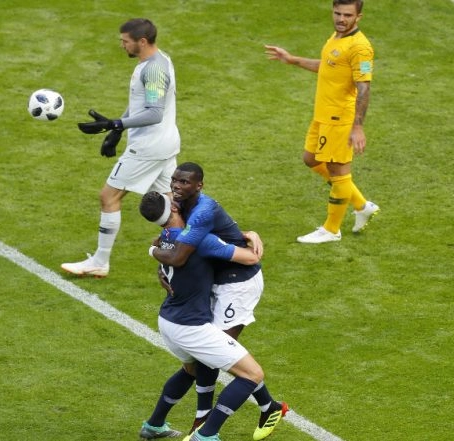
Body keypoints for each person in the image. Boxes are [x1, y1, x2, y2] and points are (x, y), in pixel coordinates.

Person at [149, 163, 287, 439]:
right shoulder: (176, 204)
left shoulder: (201, 214)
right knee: (209, 358)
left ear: (199, 185)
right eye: (174, 180)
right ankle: (267, 406)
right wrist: (161, 265)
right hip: (215, 280)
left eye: (184, 182)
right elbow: (169, 239)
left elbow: (251, 257)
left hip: (238, 283)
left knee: (213, 358)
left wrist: (155, 254)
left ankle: (202, 425)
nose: (176, 187)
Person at [61, 18, 180, 277]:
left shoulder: (154, 70)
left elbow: (154, 113)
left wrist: (116, 122)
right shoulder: (154, 62)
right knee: (172, 204)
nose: (121, 45)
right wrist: (118, 129)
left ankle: (100, 262)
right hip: (164, 144)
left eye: (125, 41)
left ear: (142, 42)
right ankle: (195, 252)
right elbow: (140, 105)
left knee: (109, 196)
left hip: (149, 148)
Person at [265, 0, 379, 244]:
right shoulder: (336, 37)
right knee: (312, 159)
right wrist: (292, 60)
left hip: (340, 118)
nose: (341, 19)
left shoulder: (360, 48)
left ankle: (331, 229)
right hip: (322, 116)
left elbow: (364, 86)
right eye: (337, 13)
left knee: (338, 171)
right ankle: (361, 205)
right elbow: (328, 67)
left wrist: (357, 126)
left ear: (359, 17)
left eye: (347, 15)